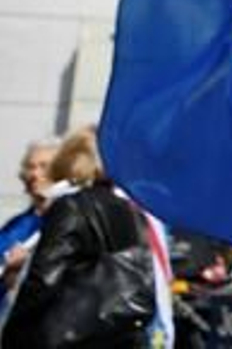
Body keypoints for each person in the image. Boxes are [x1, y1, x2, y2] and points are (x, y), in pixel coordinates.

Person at [1, 126, 156, 348]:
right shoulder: (131, 211)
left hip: (69, 337)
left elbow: (45, 277)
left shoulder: (72, 206)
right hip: (119, 335)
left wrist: (13, 336)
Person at [1, 139, 59, 293]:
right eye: (30, 167)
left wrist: (27, 264)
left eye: (44, 166)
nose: (34, 174)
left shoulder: (66, 221)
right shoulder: (15, 225)